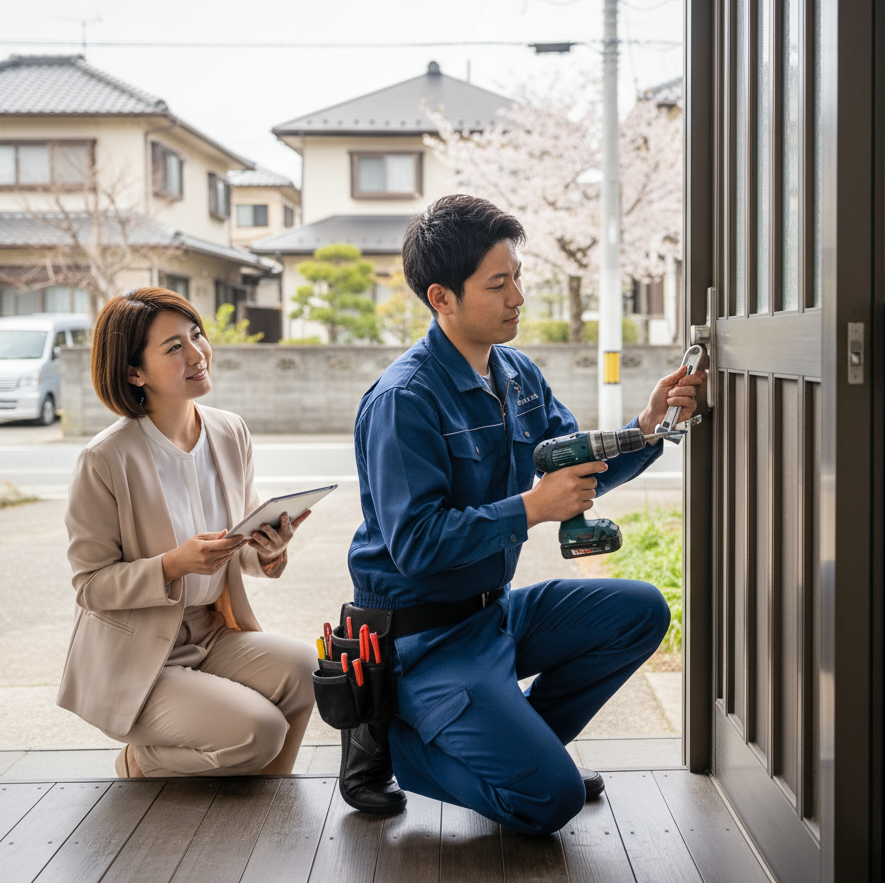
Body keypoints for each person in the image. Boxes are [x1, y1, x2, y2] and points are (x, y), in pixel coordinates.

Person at [340, 195, 704, 834]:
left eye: (517, 279)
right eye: (498, 283)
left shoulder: (517, 374)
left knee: (641, 611)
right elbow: (417, 545)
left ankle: (521, 747)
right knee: (549, 802)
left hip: (493, 614)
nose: (518, 298)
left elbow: (575, 463)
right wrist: (534, 508)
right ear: (442, 298)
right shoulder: (404, 400)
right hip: (423, 641)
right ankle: (398, 743)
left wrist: (647, 427)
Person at [57, 287, 316, 778]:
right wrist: (173, 564)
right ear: (135, 372)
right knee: (259, 730)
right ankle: (141, 762)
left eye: (196, 336)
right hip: (141, 655)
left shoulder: (229, 431)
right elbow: (90, 587)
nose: (198, 354)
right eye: (174, 347)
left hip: (212, 632)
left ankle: (266, 790)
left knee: (309, 671)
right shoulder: (106, 459)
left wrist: (268, 553)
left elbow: (233, 546)